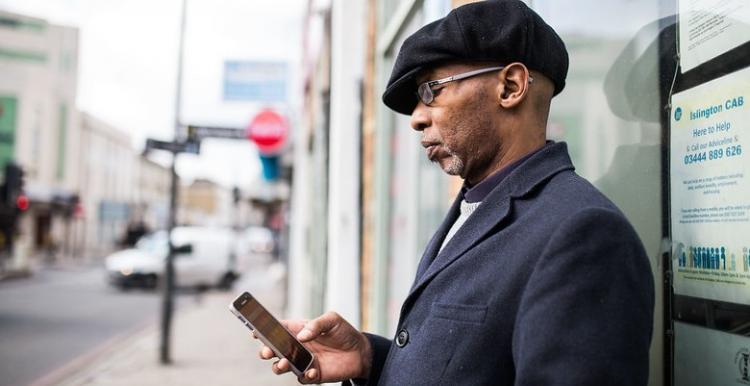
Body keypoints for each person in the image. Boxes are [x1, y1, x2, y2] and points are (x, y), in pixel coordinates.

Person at [259, 1, 655, 385]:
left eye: (431, 90)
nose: (416, 117)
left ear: (511, 86)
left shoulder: (585, 235)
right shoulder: (474, 206)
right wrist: (370, 358)